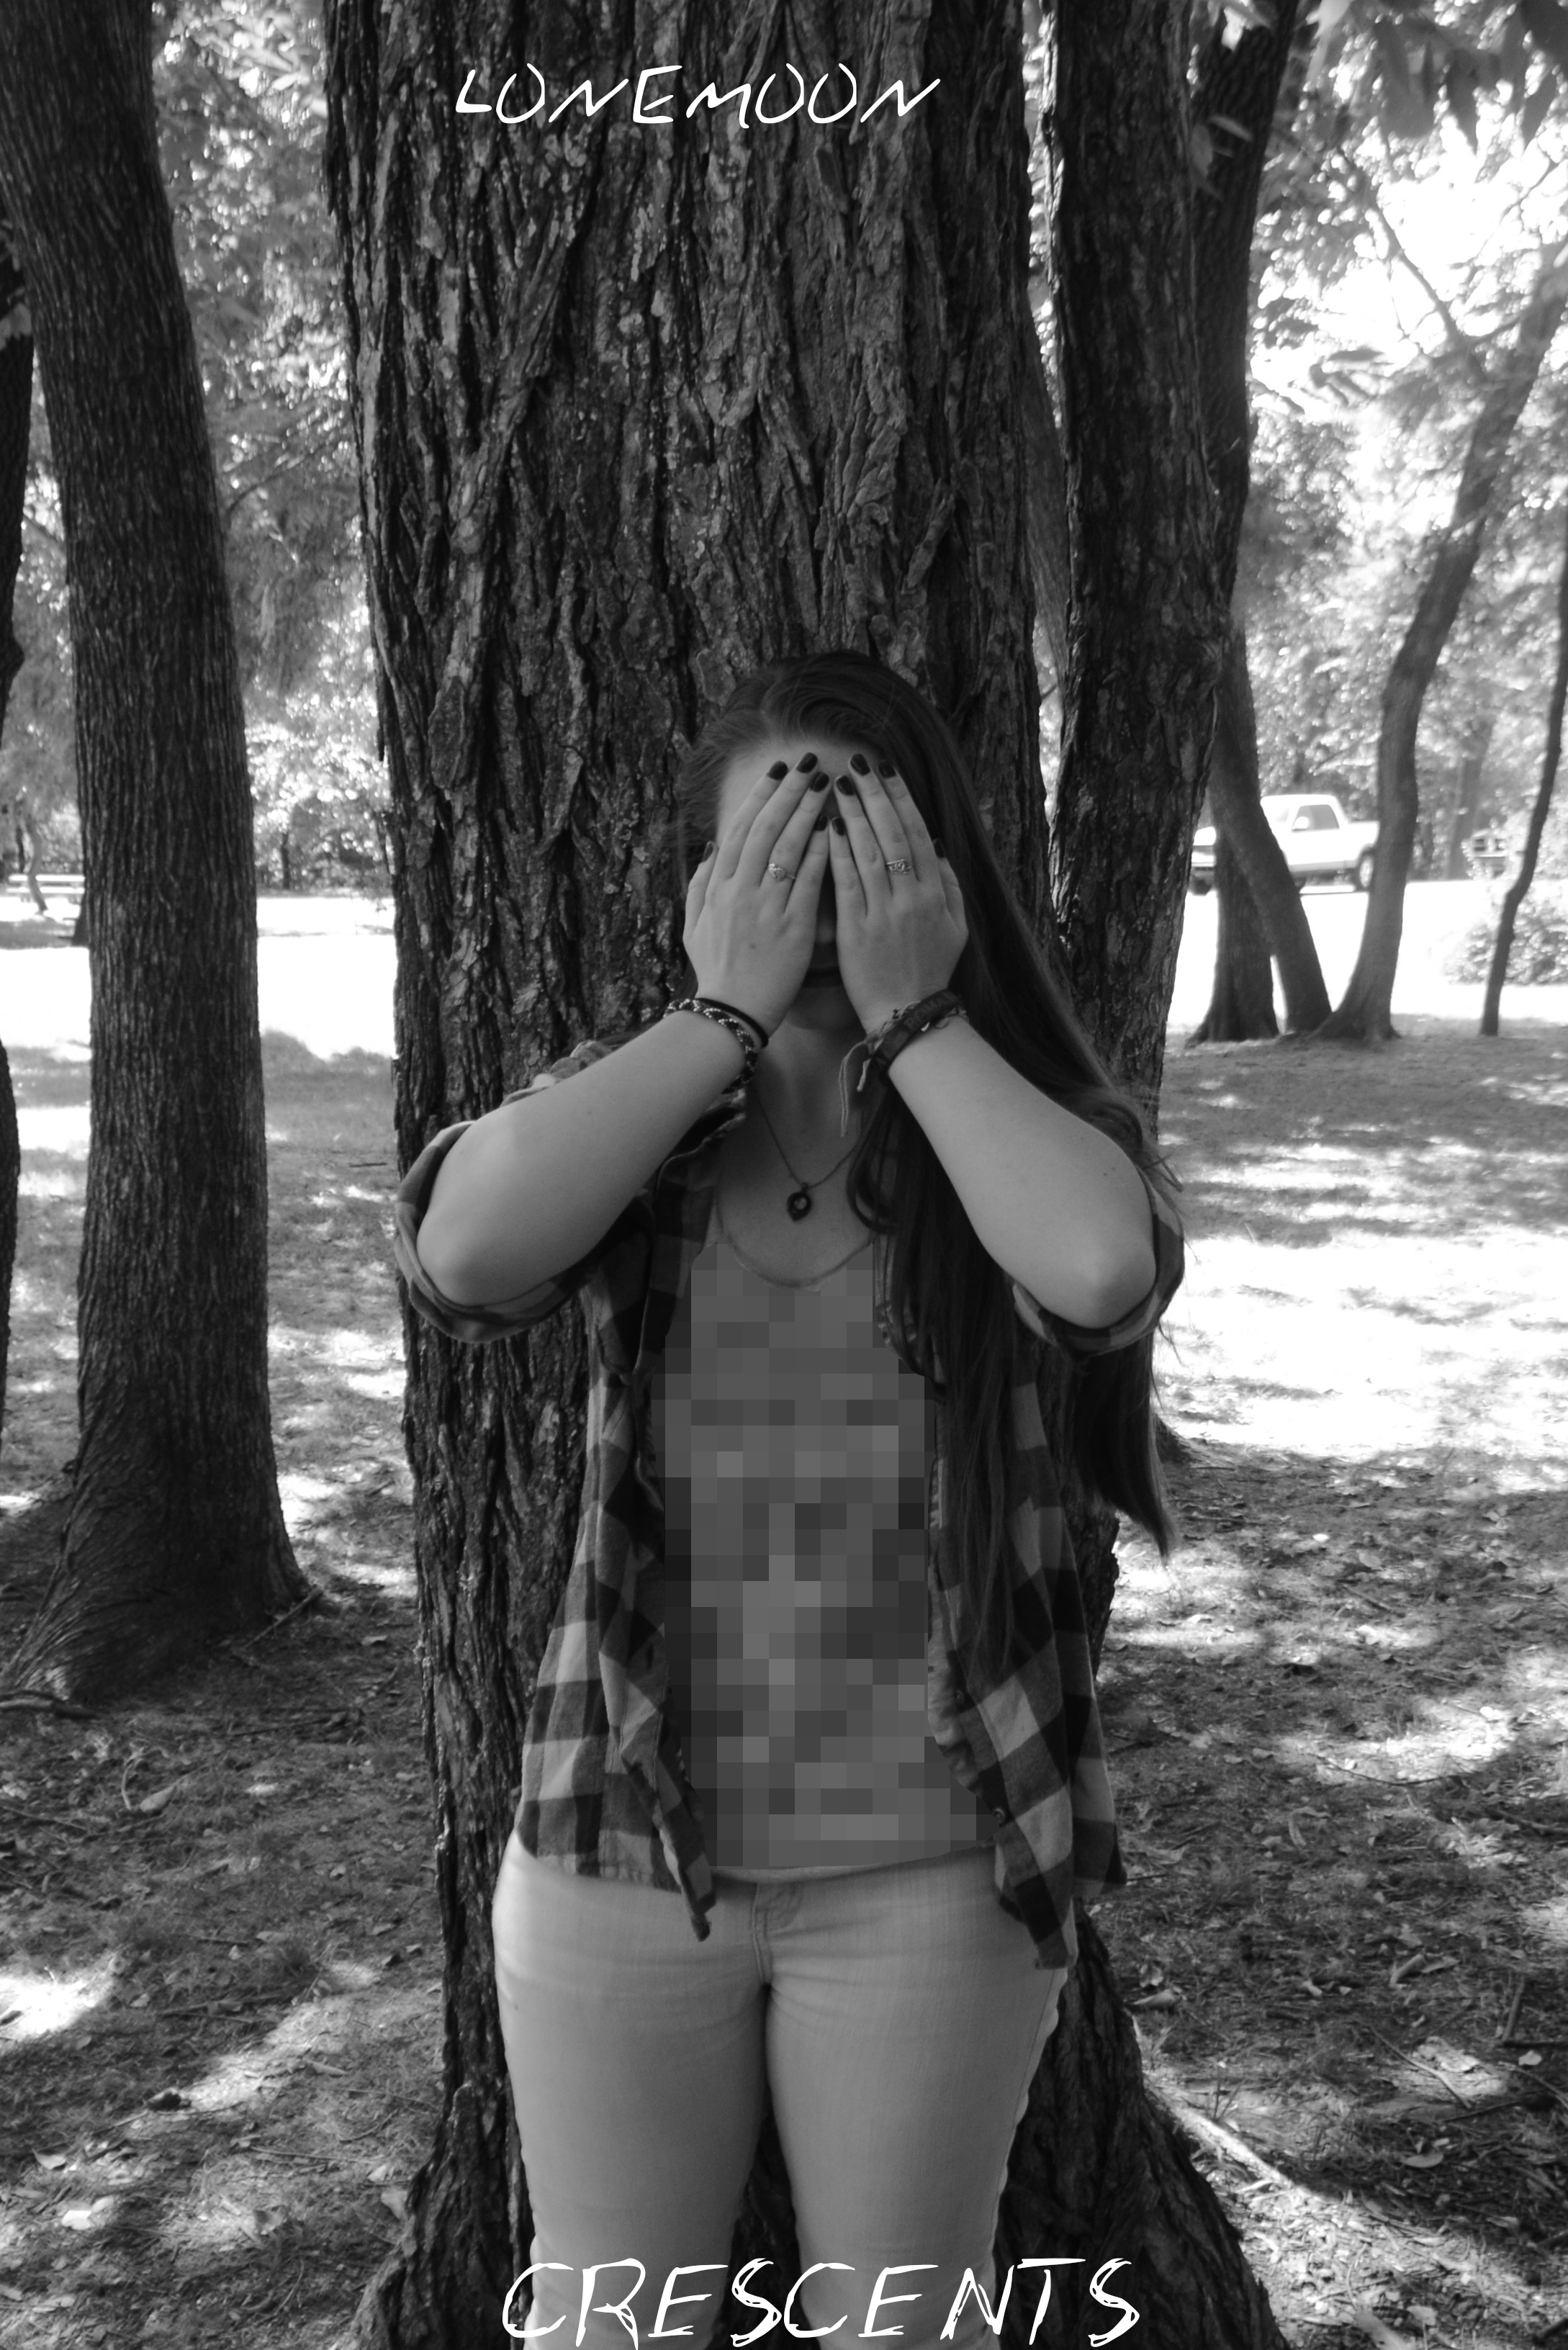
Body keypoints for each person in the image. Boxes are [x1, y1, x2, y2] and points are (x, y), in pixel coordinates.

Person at [394, 649, 1186, 2350]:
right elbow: (460, 1254)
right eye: (776, 856)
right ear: (704, 888)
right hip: (618, 1850)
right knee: (614, 2328)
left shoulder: (1006, 1130)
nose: (819, 903)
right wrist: (717, 1022)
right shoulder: (649, 1122)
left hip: (937, 1872)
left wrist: (918, 1023)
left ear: (937, 874)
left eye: (861, 852)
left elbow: (1101, 1268)